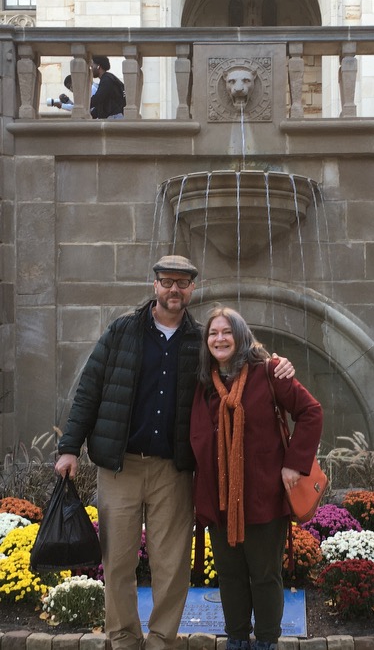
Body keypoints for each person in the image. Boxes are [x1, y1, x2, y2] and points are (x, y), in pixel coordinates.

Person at [55, 256, 294, 650]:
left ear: (191, 290)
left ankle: (162, 640)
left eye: (182, 283)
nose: (174, 290)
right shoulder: (122, 331)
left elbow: (236, 362)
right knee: (117, 563)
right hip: (121, 467)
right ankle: (124, 639)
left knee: (171, 565)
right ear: (155, 286)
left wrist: (276, 364)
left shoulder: (198, 341)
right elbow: (89, 390)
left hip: (173, 471)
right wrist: (68, 448)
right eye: (167, 281)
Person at [190, 306, 323, 650]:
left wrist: (295, 463)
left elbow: (310, 412)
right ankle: (236, 639)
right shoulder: (204, 385)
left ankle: (266, 641)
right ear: (207, 343)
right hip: (219, 500)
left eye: (226, 332)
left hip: (263, 497)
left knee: (264, 576)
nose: (219, 339)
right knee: (230, 577)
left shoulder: (269, 372)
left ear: (240, 335)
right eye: (213, 333)